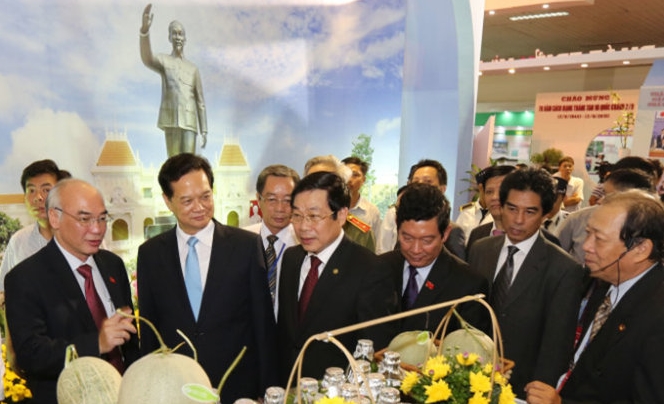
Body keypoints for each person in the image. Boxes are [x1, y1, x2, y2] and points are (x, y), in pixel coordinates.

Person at [137, 153, 277, 402]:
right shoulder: (151, 254)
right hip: (175, 387)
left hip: (236, 385)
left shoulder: (246, 245)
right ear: (168, 201)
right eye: (187, 200)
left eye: (205, 196)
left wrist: (267, 391)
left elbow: (262, 323)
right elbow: (149, 330)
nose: (199, 207)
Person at [5, 179, 139, 403]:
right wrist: (96, 343)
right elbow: (30, 354)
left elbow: (129, 340)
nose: (97, 229)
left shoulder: (112, 265)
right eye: (84, 219)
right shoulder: (25, 278)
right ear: (54, 218)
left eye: (102, 218)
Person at [525, 190, 664, 404]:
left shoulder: (656, 315)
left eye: (599, 239)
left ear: (640, 249)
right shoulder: (604, 282)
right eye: (588, 233)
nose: (586, 246)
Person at [467, 168, 584, 398]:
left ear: (545, 214)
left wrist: (540, 391)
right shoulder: (481, 250)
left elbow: (557, 344)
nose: (518, 220)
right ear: (501, 206)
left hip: (523, 388)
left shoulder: (564, 268)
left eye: (530, 212)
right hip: (472, 378)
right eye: (512, 209)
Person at [277, 171, 393, 383]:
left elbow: (372, 350)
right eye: (297, 215)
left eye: (314, 216)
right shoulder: (291, 258)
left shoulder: (369, 269)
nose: (303, 227)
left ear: (341, 215)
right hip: (288, 384)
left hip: (334, 391)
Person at [378, 183, 490, 335]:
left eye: (427, 240)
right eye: (407, 238)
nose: (416, 249)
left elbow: (471, 346)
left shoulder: (468, 285)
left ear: (445, 234)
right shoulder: (379, 268)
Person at [556, 157, 657, 264]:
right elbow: (555, 259)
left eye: (600, 238)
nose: (588, 247)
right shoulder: (578, 219)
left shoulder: (653, 226)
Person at [140, 4, 208, 157]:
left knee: (189, 163)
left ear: (185, 39)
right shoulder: (164, 61)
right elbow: (147, 58)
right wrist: (144, 32)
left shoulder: (193, 69)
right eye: (174, 34)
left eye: (180, 34)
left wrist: (204, 130)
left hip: (190, 122)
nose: (178, 37)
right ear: (169, 37)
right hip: (171, 120)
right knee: (174, 163)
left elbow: (200, 101)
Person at [0, 159, 70, 290]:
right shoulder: (18, 241)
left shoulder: (83, 236)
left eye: (46, 190)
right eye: (31, 190)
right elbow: (4, 289)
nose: (38, 197)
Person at [244, 164, 300, 318]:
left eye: (288, 200)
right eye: (272, 199)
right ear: (258, 199)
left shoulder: (305, 245)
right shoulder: (241, 241)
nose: (280, 208)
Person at [383, 159, 467, 261]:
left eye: (428, 182)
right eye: (416, 182)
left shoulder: (453, 231)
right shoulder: (404, 222)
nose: (420, 186)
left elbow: (455, 266)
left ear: (442, 189)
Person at [304, 155, 376, 252]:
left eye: (326, 181)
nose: (318, 188)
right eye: (311, 182)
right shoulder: (294, 225)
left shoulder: (361, 235)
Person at [465, 165, 516, 253]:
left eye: (501, 191)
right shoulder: (477, 234)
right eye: (489, 192)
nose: (494, 197)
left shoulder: (528, 234)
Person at [342, 156, 382, 245]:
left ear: (363, 180)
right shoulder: (329, 206)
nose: (349, 180)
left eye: (355, 175)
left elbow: (377, 244)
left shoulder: (372, 211)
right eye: (345, 174)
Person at [455, 166, 495, 243]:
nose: (495, 196)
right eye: (490, 190)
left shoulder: (499, 214)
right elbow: (456, 240)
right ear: (481, 188)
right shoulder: (467, 211)